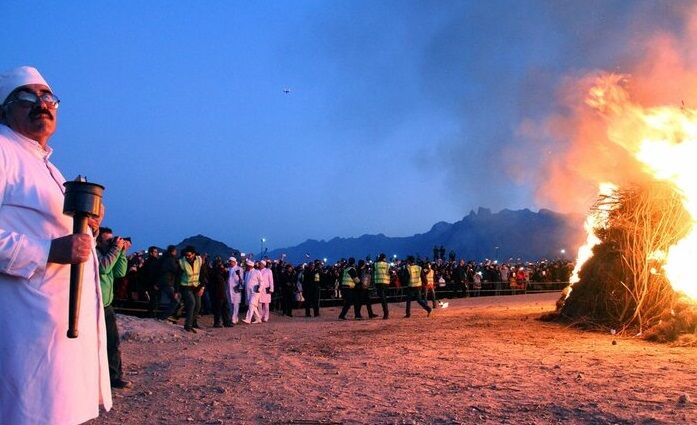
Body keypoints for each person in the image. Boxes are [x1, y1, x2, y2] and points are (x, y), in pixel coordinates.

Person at [0, 66, 112, 423]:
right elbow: (54, 245)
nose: (41, 104)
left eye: (48, 98)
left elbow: (67, 240)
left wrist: (89, 228)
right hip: (25, 333)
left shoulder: (47, 167)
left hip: (59, 336)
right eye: (27, 97)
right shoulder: (3, 150)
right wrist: (48, 251)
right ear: (5, 108)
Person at [96, 227, 132, 389]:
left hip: (107, 305)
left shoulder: (111, 254)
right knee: (94, 344)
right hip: (93, 306)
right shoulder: (94, 253)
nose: (112, 243)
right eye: (108, 240)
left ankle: (114, 377)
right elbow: (103, 268)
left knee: (113, 343)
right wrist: (116, 249)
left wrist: (122, 253)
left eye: (113, 240)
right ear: (98, 240)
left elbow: (120, 273)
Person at [178, 245, 205, 332]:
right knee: (192, 303)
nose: (187, 257)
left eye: (189, 255)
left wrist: (202, 287)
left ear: (194, 254)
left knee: (198, 305)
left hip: (196, 286)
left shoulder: (199, 260)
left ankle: (193, 322)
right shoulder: (182, 262)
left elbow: (203, 274)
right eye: (186, 255)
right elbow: (178, 277)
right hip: (186, 286)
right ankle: (188, 325)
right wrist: (177, 290)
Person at [157, 245, 180, 321]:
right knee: (175, 301)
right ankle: (162, 317)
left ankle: (165, 316)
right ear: (173, 251)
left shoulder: (163, 258)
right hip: (168, 282)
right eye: (175, 251)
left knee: (174, 300)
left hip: (164, 282)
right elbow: (176, 270)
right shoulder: (171, 260)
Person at [242, 258, 263, 324]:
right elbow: (245, 282)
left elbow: (262, 282)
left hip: (255, 292)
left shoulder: (257, 272)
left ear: (250, 266)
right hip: (248, 292)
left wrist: (259, 289)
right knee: (253, 306)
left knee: (251, 304)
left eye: (247, 266)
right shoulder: (246, 273)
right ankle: (258, 319)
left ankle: (248, 319)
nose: (246, 267)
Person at [372, 253, 390, 319]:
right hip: (386, 283)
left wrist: (373, 283)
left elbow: (372, 273)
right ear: (384, 258)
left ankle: (386, 313)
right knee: (384, 298)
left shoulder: (375, 264)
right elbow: (390, 272)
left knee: (382, 298)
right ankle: (386, 313)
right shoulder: (388, 264)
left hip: (378, 283)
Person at [225, 257, 243, 324]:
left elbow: (241, 280)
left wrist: (239, 285)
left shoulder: (239, 269)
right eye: (229, 262)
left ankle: (234, 318)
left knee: (236, 304)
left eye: (231, 262)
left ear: (235, 262)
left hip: (236, 289)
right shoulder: (228, 269)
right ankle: (232, 317)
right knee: (230, 304)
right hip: (229, 289)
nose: (230, 263)